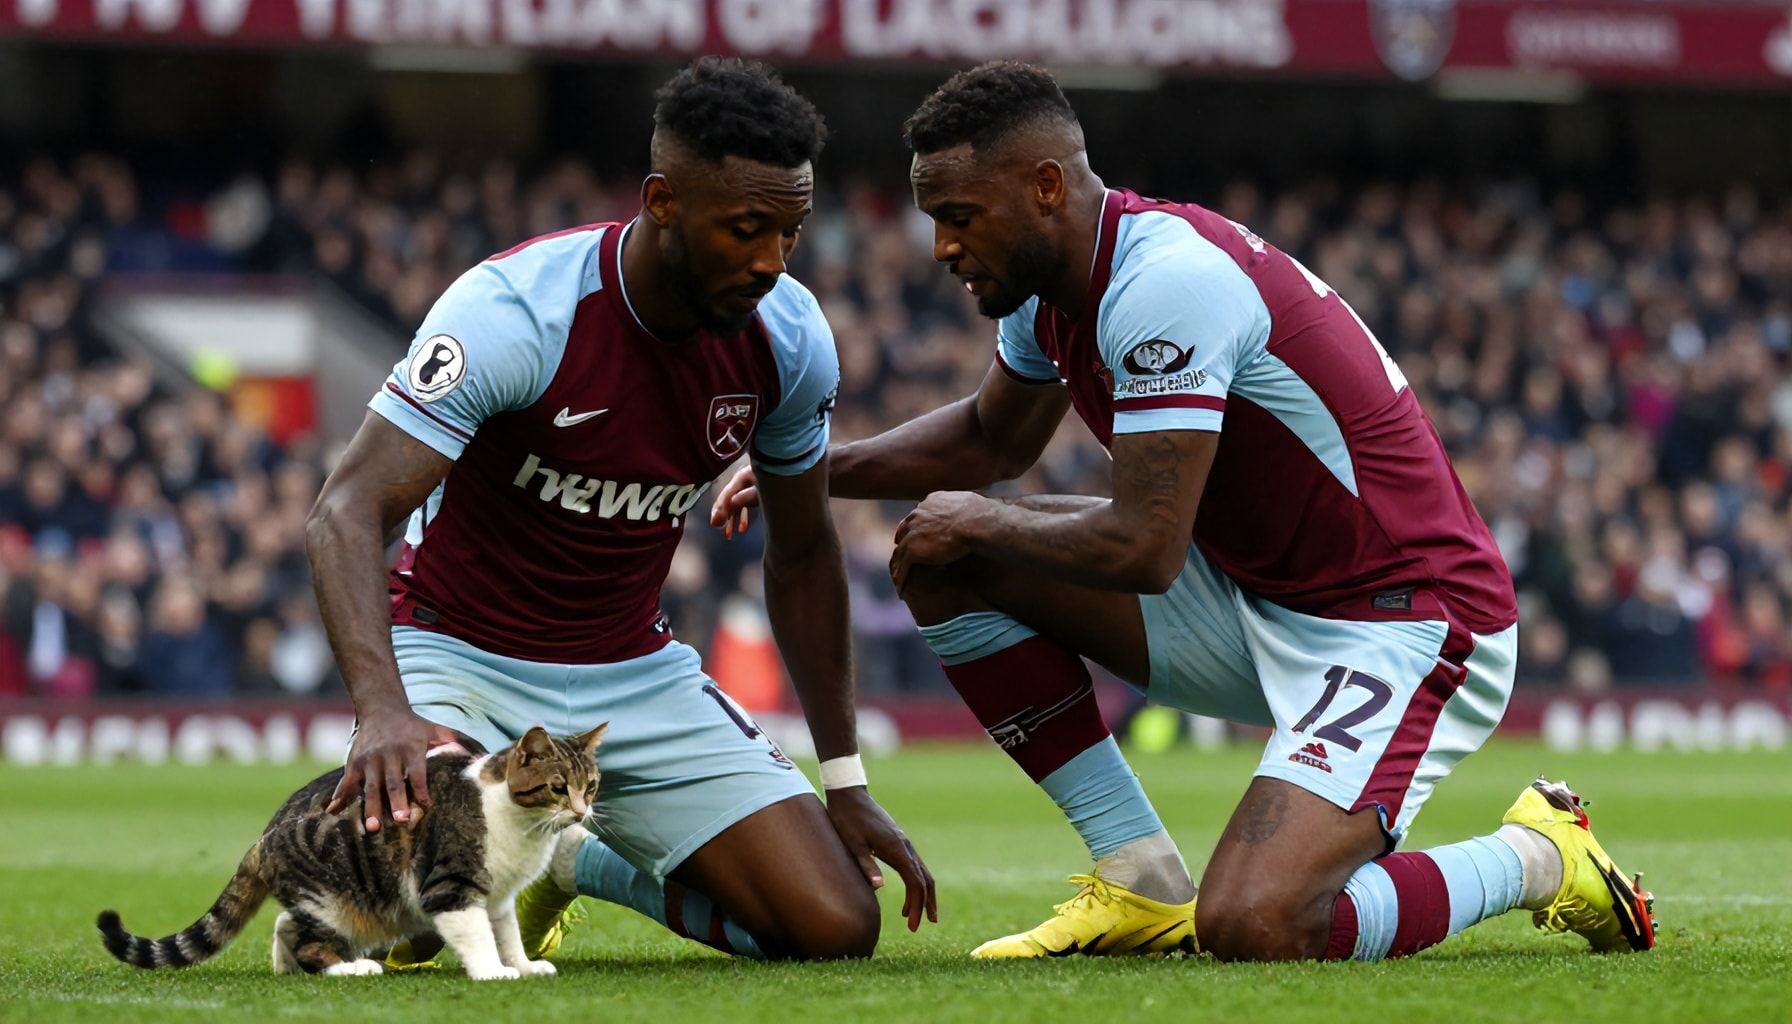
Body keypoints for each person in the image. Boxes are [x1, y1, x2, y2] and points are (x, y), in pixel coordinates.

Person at [711, 61, 1653, 962]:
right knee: (941, 555)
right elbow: (991, 441)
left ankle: (1537, 856)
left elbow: (1145, 546)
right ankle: (1140, 877)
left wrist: (982, 519)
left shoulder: (1165, 284)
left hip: (1406, 619)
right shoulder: (1047, 290)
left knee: (1258, 923)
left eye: (960, 216)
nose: (942, 247)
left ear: (1045, 187)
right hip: (1256, 597)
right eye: (934, 219)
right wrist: (811, 467)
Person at [306, 57, 934, 966]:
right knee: (424, 909)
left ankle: (572, 860)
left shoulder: (790, 339)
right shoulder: (518, 312)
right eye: (746, 229)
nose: (771, 262)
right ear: (663, 201)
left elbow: (803, 553)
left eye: (790, 233)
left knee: (834, 928)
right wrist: (383, 712)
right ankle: (537, 841)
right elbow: (346, 509)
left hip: (633, 669)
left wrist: (846, 780)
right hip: (458, 653)